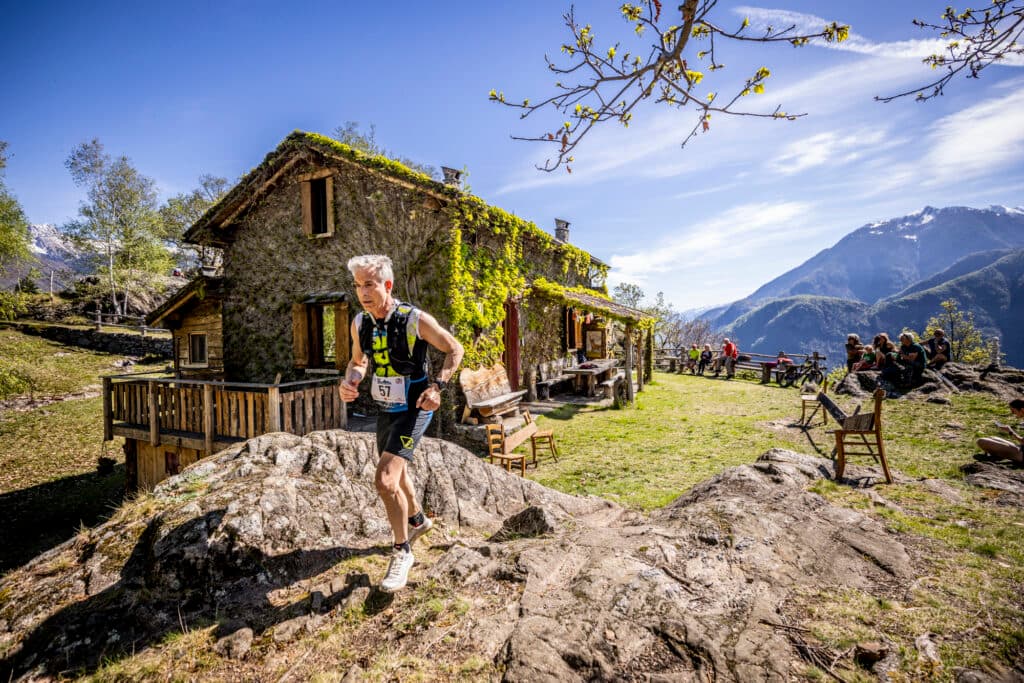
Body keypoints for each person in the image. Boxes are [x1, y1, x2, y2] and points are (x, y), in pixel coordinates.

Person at [339, 254, 465, 593]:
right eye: (357, 286)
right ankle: (418, 521)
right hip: (386, 408)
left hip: (415, 406)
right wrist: (350, 381)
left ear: (387, 285)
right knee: (399, 473)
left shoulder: (414, 319)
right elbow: (358, 361)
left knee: (384, 478)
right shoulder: (360, 322)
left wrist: (438, 386)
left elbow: (455, 349)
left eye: (369, 284)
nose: (362, 292)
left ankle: (402, 550)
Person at [976, 399, 1024, 465]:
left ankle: (999, 455)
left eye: (1013, 410)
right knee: (993, 438)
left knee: (981, 441)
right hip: (1020, 449)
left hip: (1021, 455)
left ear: (1022, 410)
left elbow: (1022, 441)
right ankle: (1000, 455)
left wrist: (1010, 431)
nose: (1013, 413)